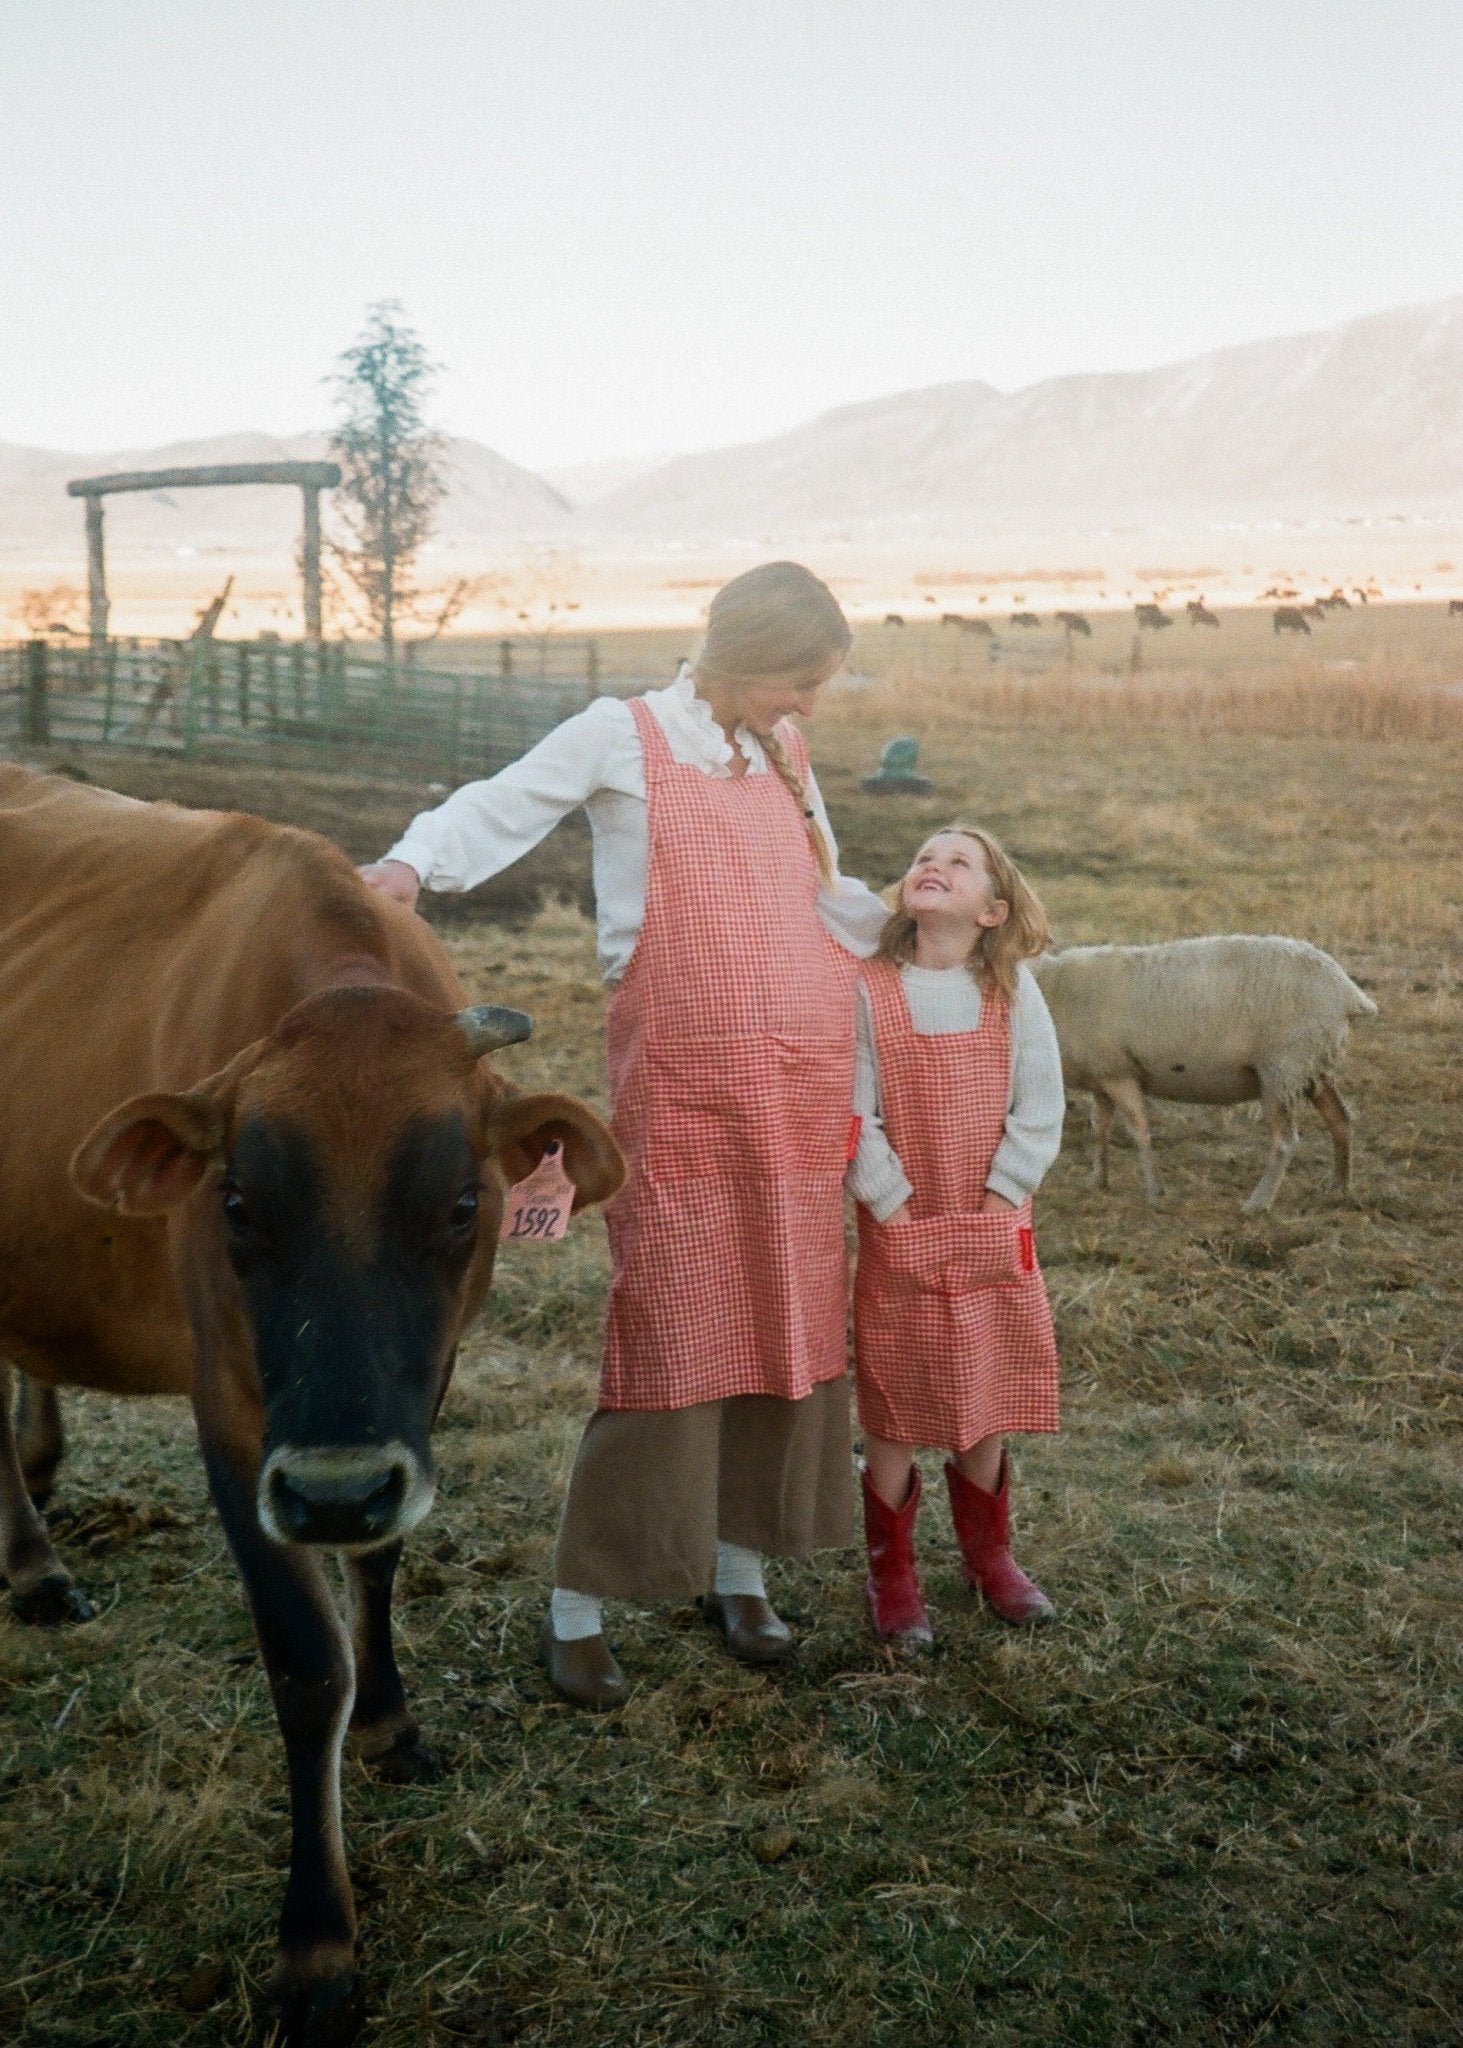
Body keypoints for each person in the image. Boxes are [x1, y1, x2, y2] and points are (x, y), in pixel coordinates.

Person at [360, 563, 888, 1708]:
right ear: (745, 657)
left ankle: (739, 1568)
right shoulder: (624, 734)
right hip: (686, 1087)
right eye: (798, 681)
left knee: (787, 1315)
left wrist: (917, 943)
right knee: (673, 1322)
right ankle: (579, 1602)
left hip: (797, 1088)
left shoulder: (783, 754)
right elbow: (503, 801)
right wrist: (409, 863)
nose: (808, 705)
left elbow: (826, 892)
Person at [847, 825, 1065, 1651]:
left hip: (990, 1219)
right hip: (900, 1221)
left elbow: (1039, 1105)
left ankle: (989, 1556)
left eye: (957, 862)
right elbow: (853, 1111)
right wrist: (891, 1207)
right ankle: (892, 1573)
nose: (932, 865)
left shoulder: (1011, 990)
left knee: (983, 1383)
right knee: (895, 1398)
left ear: (991, 911)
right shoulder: (868, 988)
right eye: (922, 857)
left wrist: (1001, 1197)